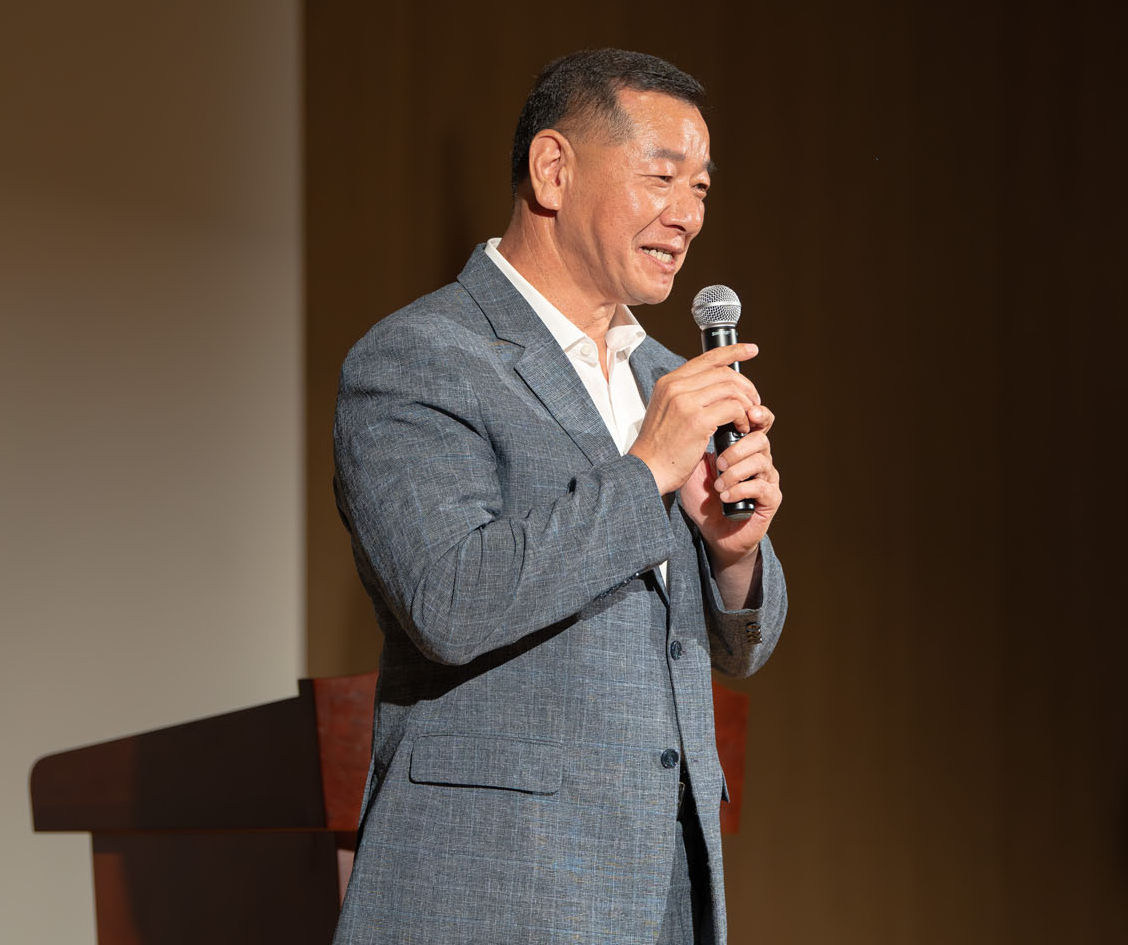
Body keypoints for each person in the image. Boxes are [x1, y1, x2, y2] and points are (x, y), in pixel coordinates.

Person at [330, 49, 787, 945]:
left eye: (701, 187)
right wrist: (646, 471)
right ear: (553, 170)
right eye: (661, 176)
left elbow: (732, 650)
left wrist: (734, 558)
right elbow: (449, 600)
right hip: (495, 891)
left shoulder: (663, 375)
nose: (688, 214)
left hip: (662, 889)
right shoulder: (420, 357)